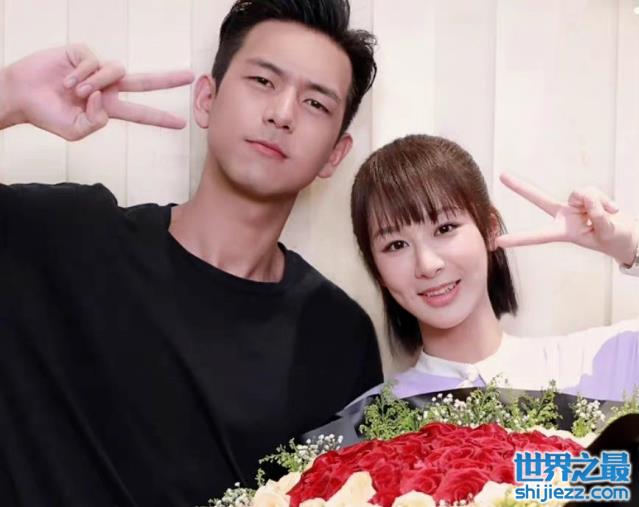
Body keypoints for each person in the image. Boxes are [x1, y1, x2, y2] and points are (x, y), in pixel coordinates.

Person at [0, 1, 383, 505]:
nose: (282, 113)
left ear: (334, 154)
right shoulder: (64, 236)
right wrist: (8, 95)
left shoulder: (337, 334)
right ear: (206, 99)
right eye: (263, 81)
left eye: (316, 103)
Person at [350, 134, 638, 402]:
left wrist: (630, 245)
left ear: (489, 229)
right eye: (396, 245)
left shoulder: (595, 363)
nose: (427, 265)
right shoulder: (368, 417)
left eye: (445, 228)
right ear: (377, 270)